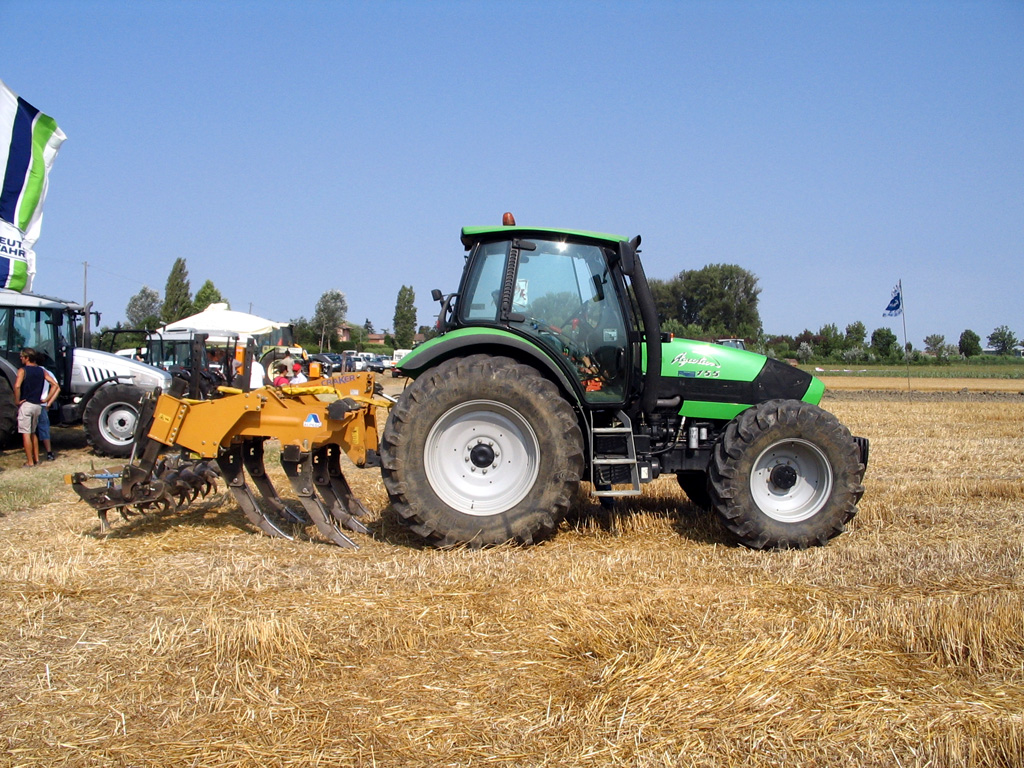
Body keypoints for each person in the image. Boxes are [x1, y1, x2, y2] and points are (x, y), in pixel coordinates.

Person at [13, 348, 60, 467]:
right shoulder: (41, 371)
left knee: (26, 433)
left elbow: (17, 386)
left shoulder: (22, 371)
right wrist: (46, 399)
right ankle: (37, 459)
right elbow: (55, 385)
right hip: (38, 406)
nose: (21, 358)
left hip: (27, 404)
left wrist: (17, 401)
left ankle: (29, 462)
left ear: (27, 358)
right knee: (33, 433)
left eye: (22, 356)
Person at [36, 362, 61, 461]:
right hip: (42, 404)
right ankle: (49, 452)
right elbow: (57, 388)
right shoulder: (48, 372)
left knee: (30, 431)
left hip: (32, 402)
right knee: (44, 428)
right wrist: (48, 402)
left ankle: (34, 455)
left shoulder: (30, 372)